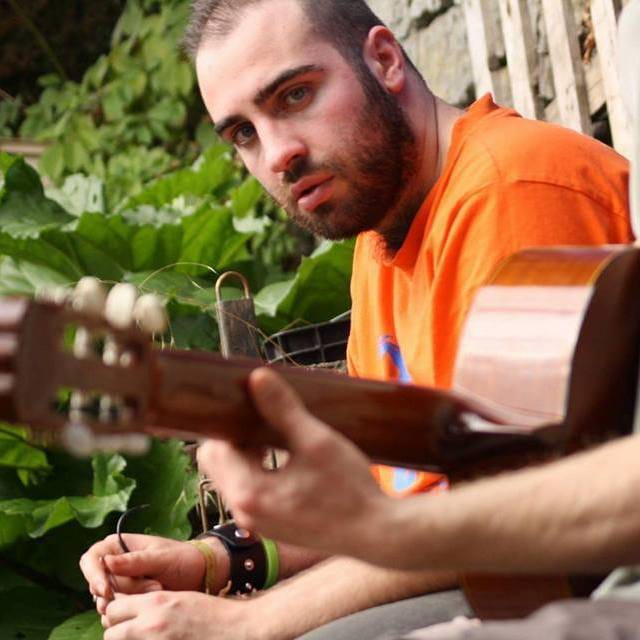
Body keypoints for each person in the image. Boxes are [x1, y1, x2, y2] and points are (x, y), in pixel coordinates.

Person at [80, 1, 634, 638]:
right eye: (244, 134)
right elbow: (395, 504)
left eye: (295, 96)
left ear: (385, 60)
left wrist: (248, 622)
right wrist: (220, 559)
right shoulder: (381, 236)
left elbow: (512, 514)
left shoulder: (509, 195)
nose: (277, 154)